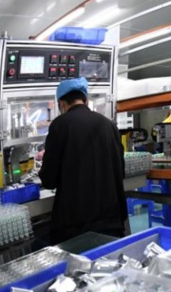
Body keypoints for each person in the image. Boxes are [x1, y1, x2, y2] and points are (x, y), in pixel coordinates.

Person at [39, 77, 127, 244]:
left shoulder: (60, 125)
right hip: (111, 218)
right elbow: (120, 170)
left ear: (62, 103)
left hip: (76, 224)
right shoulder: (109, 125)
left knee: (78, 268)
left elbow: (49, 179)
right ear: (86, 100)